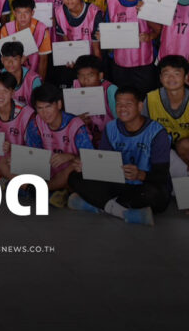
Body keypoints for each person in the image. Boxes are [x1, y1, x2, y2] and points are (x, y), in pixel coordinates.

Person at [67, 86, 172, 226]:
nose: (122, 108)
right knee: (75, 177)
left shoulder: (157, 132)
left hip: (143, 187)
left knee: (155, 196)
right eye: (119, 104)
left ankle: (97, 204)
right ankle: (121, 212)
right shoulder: (111, 128)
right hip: (118, 184)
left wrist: (140, 175)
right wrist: (87, 166)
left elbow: (162, 175)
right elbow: (103, 166)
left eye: (128, 104)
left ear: (140, 106)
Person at [23, 83, 93, 207]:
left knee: (74, 168)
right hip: (47, 170)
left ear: (59, 104)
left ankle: (39, 189)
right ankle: (52, 192)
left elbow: (90, 160)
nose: (45, 113)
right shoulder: (35, 123)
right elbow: (34, 153)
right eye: (40, 108)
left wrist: (70, 156)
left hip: (69, 174)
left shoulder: (76, 125)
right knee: (7, 161)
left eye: (48, 106)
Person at [143, 55, 189, 175]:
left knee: (184, 145)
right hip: (162, 151)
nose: (171, 78)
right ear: (160, 78)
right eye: (166, 74)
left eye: (177, 73)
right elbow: (143, 132)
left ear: (186, 77)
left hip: (188, 152)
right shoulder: (150, 98)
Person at [104, 0, 160, 92]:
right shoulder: (112, 3)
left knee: (145, 99)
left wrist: (149, 35)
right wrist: (104, 37)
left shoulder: (150, 1)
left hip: (145, 62)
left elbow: (160, 30)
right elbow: (108, 33)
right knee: (123, 99)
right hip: (120, 63)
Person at [51, 0, 102, 88]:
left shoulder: (94, 12)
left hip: (90, 63)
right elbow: (65, 41)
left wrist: (97, 71)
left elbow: (96, 48)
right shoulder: (59, 11)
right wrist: (69, 58)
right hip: (71, 61)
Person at [0, 0, 52, 79]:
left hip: (33, 73)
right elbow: (1, 56)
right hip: (11, 75)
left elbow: (43, 60)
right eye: (19, 12)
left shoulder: (42, 29)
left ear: (32, 13)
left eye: (26, 12)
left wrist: (40, 82)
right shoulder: (6, 28)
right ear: (14, 13)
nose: (22, 17)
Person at [70, 55, 118, 147]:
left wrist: (105, 135)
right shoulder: (75, 87)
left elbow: (121, 122)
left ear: (100, 76)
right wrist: (77, 120)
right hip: (85, 139)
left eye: (90, 75)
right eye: (81, 76)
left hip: (110, 139)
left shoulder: (110, 90)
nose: (86, 80)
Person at [0, 41, 42, 107]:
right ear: (2, 60)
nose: (10, 63)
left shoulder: (33, 79)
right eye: (7, 59)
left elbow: (40, 105)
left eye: (15, 59)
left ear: (22, 59)